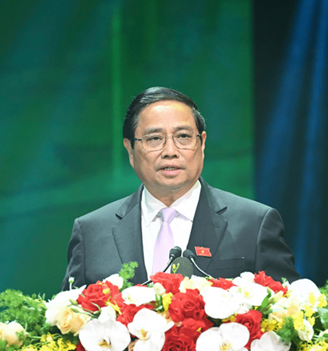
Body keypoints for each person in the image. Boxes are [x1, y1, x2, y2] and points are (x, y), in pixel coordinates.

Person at [61, 87, 300, 289]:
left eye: (183, 137)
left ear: (202, 144)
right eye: (154, 139)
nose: (170, 151)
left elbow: (289, 314)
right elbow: (67, 322)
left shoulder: (254, 224)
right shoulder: (91, 232)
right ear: (130, 150)